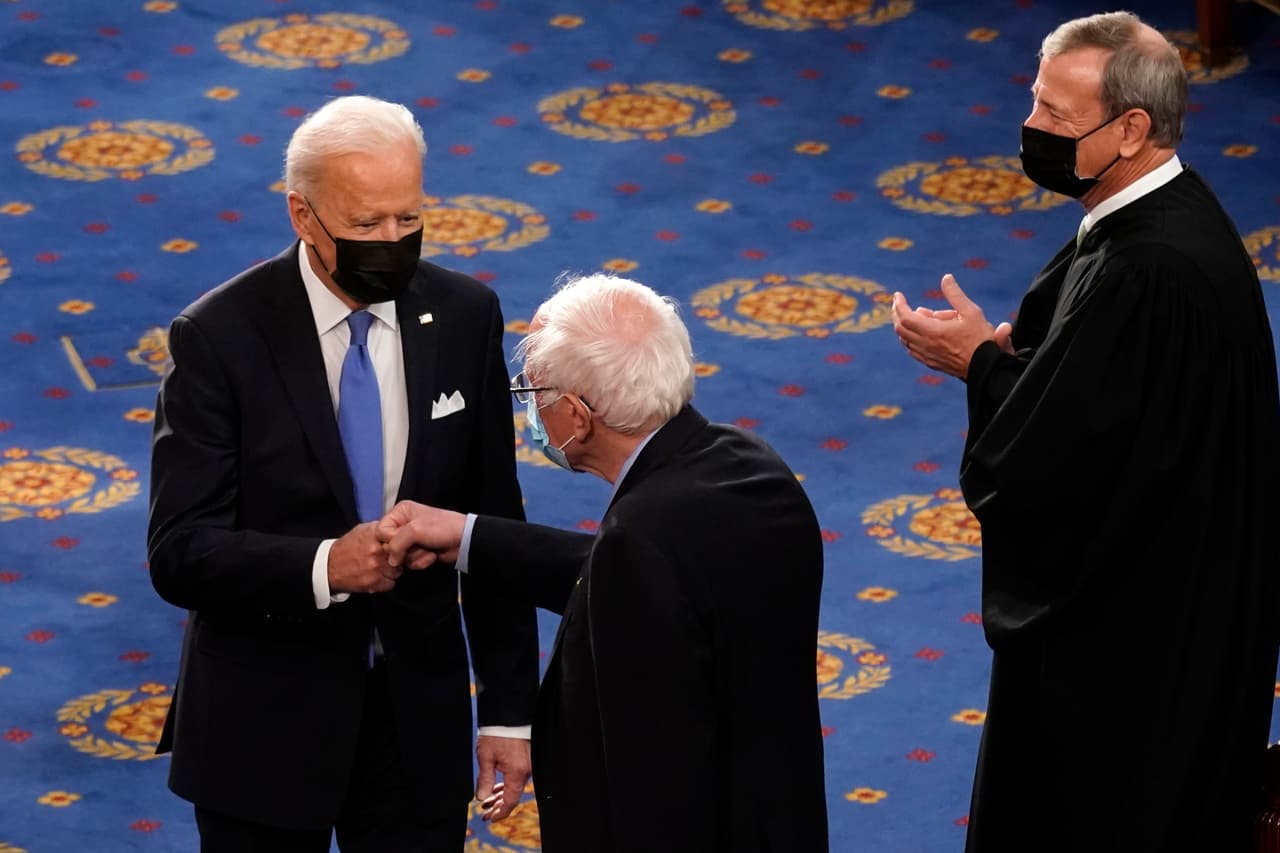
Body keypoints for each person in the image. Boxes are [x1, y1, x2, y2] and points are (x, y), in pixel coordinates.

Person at [892, 11, 1280, 852]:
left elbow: (1044, 471)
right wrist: (1015, 358)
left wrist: (982, 369)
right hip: (1171, 613)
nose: (1030, 130)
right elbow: (1110, 408)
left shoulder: (1152, 269)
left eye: (1056, 118)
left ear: (1132, 129)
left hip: (1136, 659)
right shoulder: (1158, 219)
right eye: (1033, 103)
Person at [147, 95, 539, 852]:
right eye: (366, 225)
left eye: (408, 218)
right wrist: (330, 565)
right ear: (303, 215)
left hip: (415, 722)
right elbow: (180, 549)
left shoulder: (465, 317)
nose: (392, 241)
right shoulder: (218, 338)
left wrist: (506, 711)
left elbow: (495, 524)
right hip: (261, 725)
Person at [377, 274, 829, 853]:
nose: (530, 409)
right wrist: (468, 536)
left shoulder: (640, 540)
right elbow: (639, 580)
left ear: (575, 415)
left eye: (531, 393)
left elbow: (650, 775)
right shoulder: (747, 467)